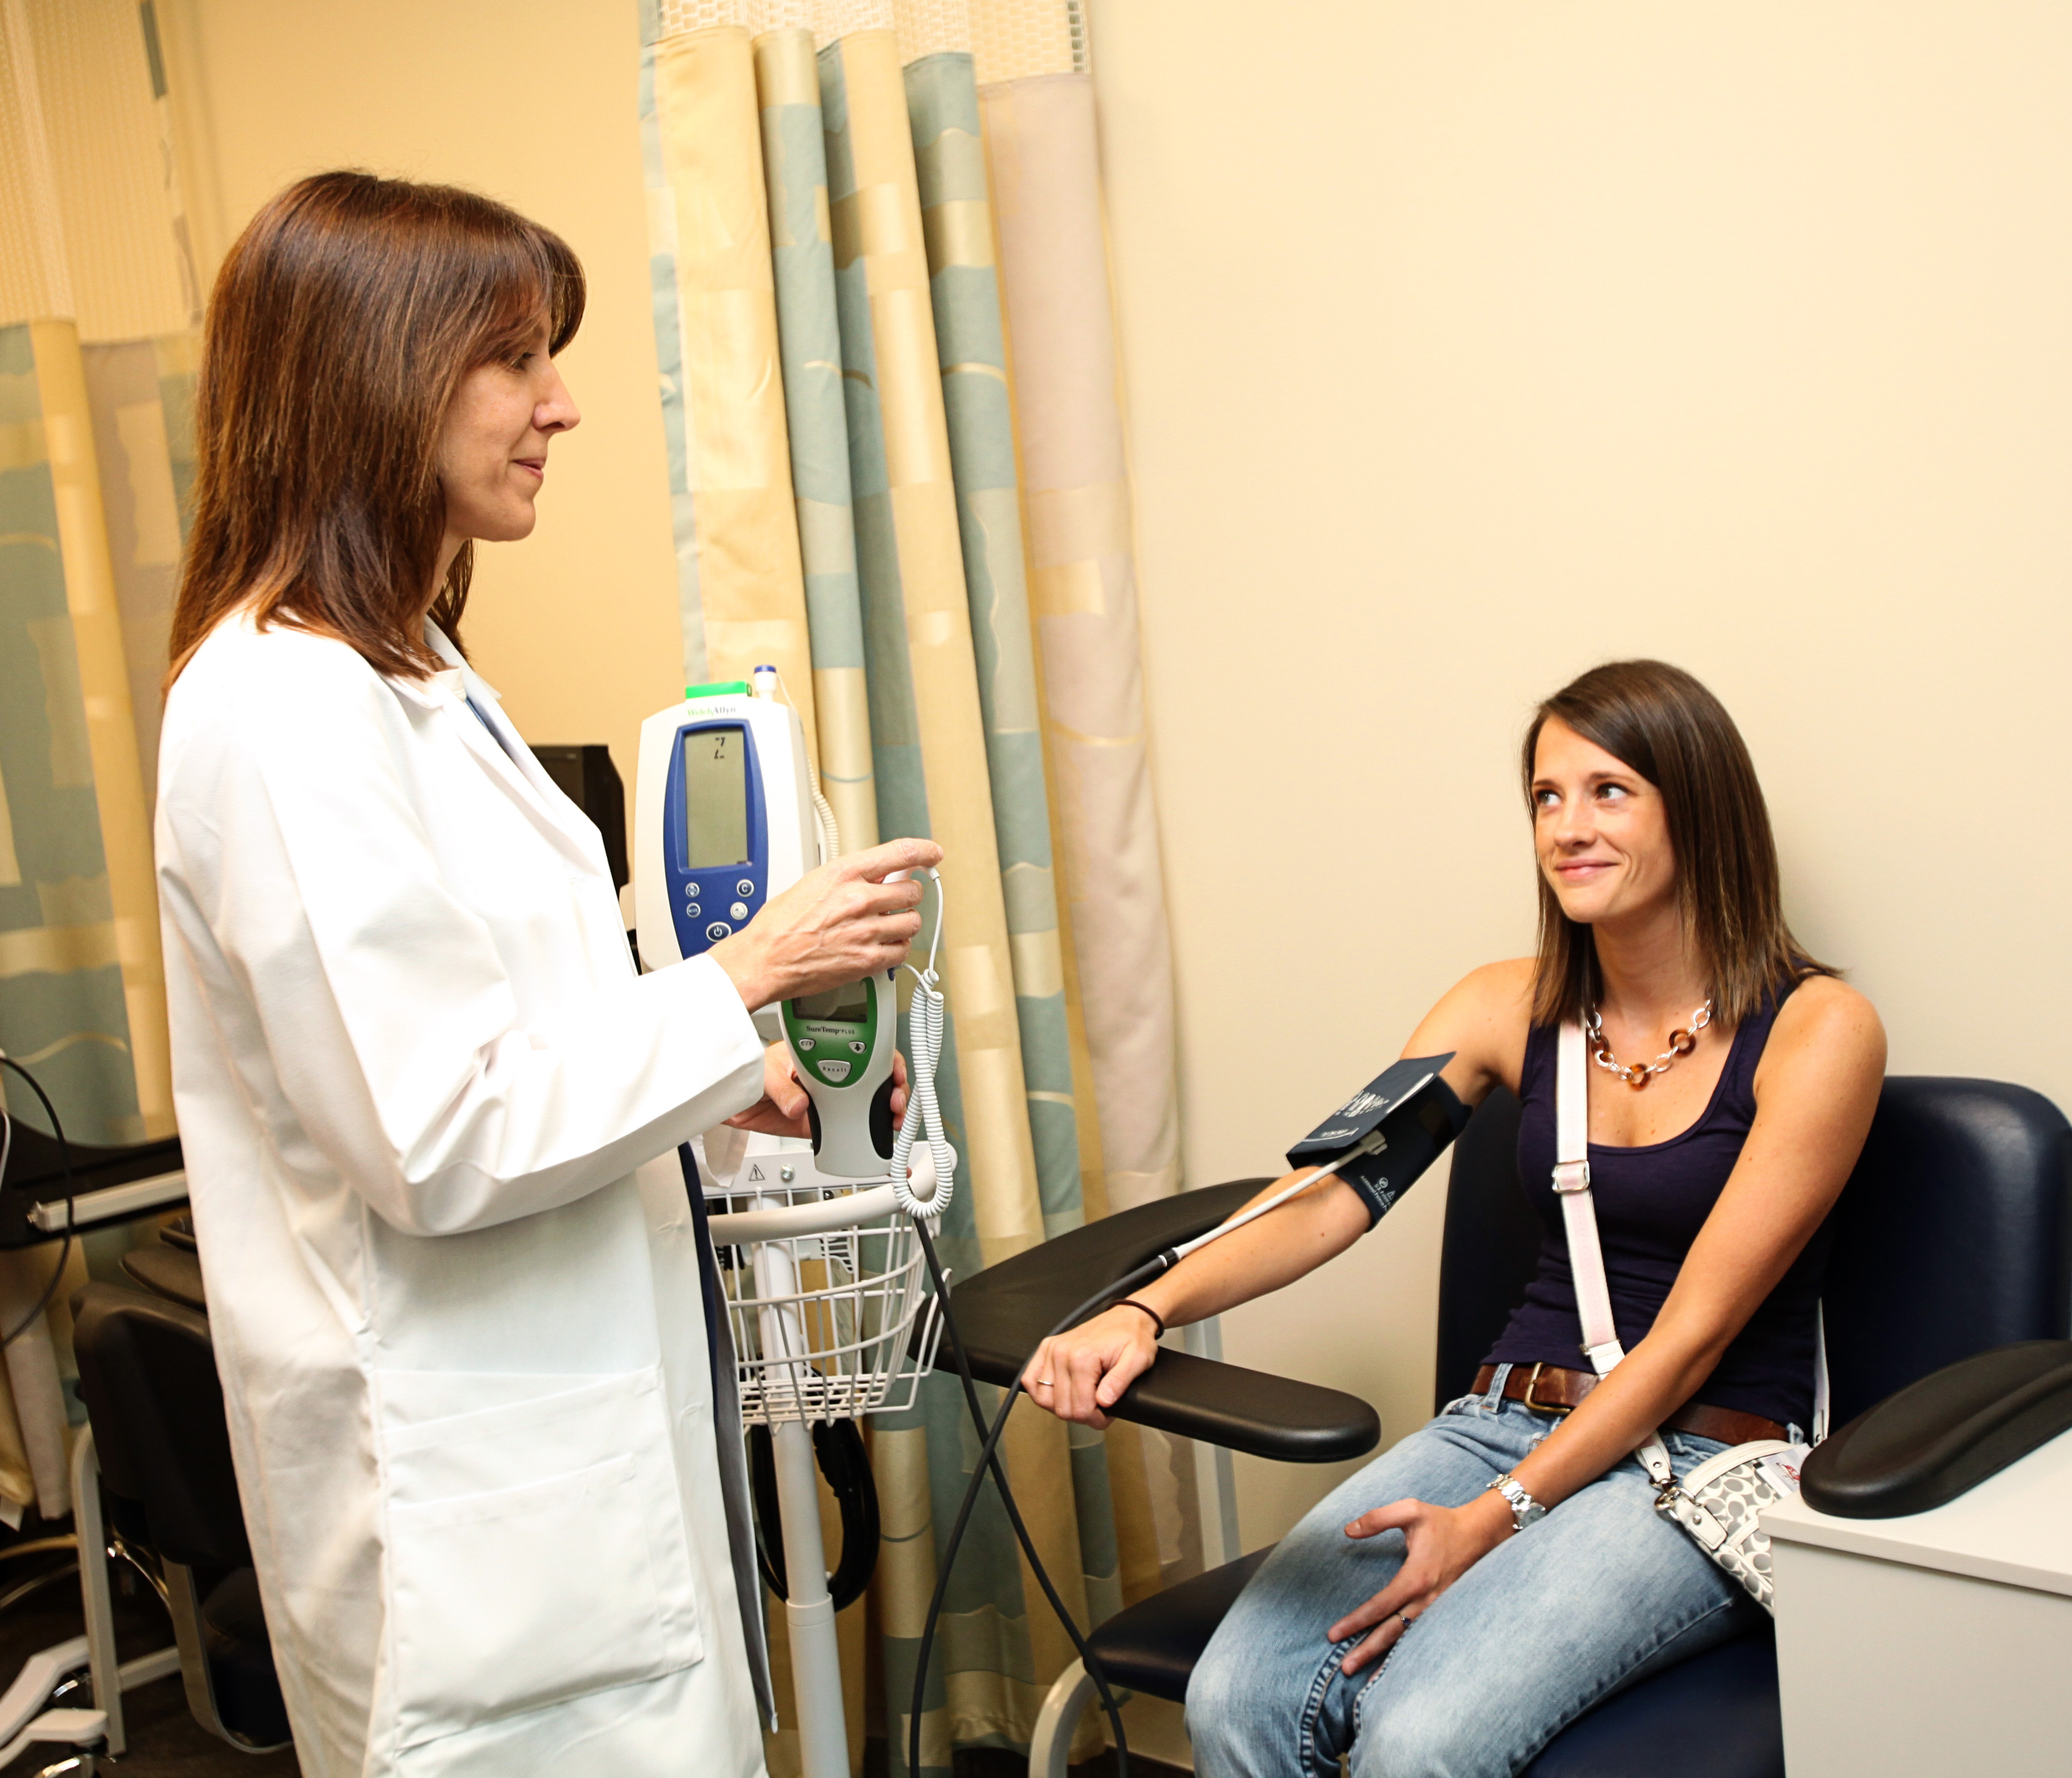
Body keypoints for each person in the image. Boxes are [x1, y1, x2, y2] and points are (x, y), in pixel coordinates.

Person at [152, 172, 938, 1776]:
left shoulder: (415, 673)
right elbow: (435, 1135)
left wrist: (739, 1096)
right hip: (470, 1528)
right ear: (376, 374)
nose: (560, 406)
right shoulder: (281, 709)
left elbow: (526, 1040)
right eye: (513, 359)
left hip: (578, 1468)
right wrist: (746, 977)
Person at [1025, 659, 1886, 1777]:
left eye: (1608, 791)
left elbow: (1691, 1339)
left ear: (1700, 808)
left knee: (1418, 1741)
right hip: (1494, 1421)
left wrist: (1491, 1519)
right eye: (1544, 796)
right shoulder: (1500, 1006)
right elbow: (1332, 1193)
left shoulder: (1819, 1030)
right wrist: (1143, 1308)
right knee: (1238, 1694)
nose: (1567, 827)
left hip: (1687, 1457)